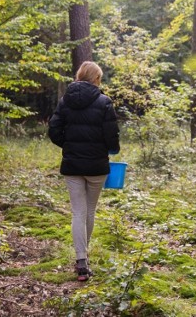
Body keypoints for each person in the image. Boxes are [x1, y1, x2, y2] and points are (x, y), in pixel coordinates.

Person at [48, 61, 120, 281]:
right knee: (89, 211)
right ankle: (83, 256)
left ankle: (81, 260)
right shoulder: (104, 101)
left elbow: (53, 129)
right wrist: (111, 150)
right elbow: (112, 135)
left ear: (79, 76)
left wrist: (69, 146)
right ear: (96, 78)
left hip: (72, 166)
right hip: (97, 166)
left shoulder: (65, 101)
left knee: (78, 212)